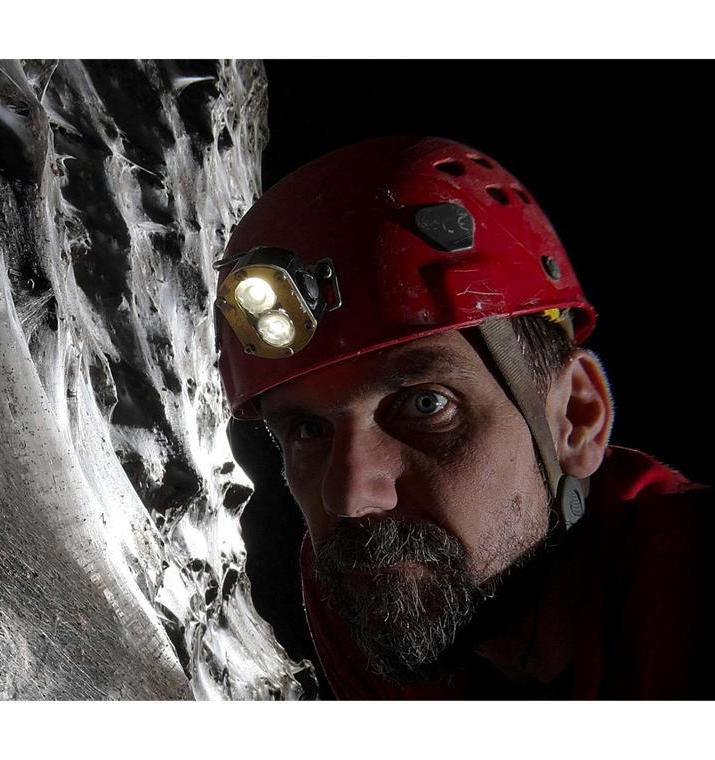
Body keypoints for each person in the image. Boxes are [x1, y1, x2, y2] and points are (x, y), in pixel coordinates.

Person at [214, 136, 711, 698]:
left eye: (427, 404)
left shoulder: (693, 581)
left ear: (575, 418)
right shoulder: (373, 583)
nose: (350, 498)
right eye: (307, 430)